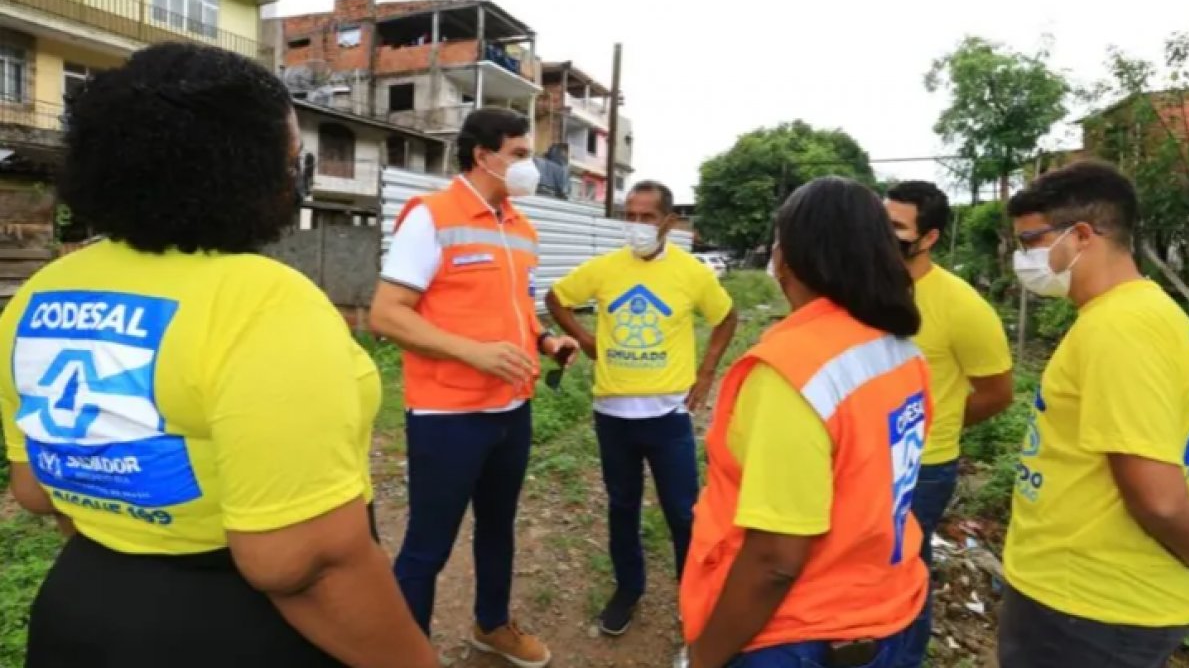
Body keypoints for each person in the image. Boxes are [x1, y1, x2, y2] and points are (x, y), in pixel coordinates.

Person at [0, 43, 437, 668]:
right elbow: (301, 561)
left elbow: (36, 491)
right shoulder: (264, 303)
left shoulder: (41, 292)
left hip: (78, 608)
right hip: (233, 629)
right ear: (247, 169)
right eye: (292, 159)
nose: (298, 173)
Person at [681, 176, 932, 668]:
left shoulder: (791, 372)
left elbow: (775, 559)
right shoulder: (899, 349)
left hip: (800, 637)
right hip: (895, 610)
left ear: (788, 258)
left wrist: (704, 659)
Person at [368, 107, 577, 668]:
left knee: (498, 527)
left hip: (511, 409)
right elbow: (387, 315)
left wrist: (545, 341)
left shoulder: (522, 228)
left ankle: (492, 625)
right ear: (483, 156)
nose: (530, 167)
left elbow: (515, 311)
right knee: (427, 545)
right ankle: (405, 652)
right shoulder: (431, 217)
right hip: (448, 415)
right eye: (519, 154)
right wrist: (475, 353)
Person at [999, 160, 1189, 668]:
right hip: (1089, 596)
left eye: (1030, 242)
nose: (1023, 259)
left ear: (1082, 235)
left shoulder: (1123, 330)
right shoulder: (1127, 316)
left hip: (1090, 607)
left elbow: (1159, 499)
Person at [546, 180, 738, 636]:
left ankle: (692, 593)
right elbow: (557, 298)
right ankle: (628, 589)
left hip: (668, 414)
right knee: (622, 506)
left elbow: (726, 318)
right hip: (613, 415)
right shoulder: (607, 268)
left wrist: (707, 372)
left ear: (668, 222)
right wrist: (590, 341)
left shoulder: (691, 273)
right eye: (629, 215)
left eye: (646, 217)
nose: (636, 226)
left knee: (681, 510)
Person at [884, 181, 1013, 668]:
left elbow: (998, 392)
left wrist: (938, 427)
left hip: (923, 470)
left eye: (896, 227)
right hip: (861, 457)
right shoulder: (864, 288)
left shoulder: (961, 306)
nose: (883, 235)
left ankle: (906, 658)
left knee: (905, 573)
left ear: (929, 237)